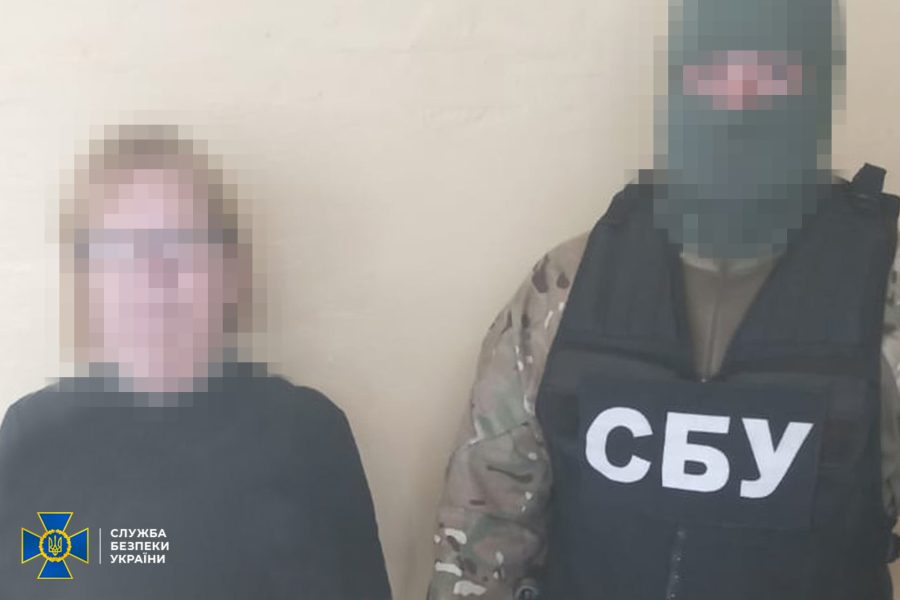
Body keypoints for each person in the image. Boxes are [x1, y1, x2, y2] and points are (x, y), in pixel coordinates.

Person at [428, 0, 900, 598]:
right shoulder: (569, 282)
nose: (739, 100)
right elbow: (483, 536)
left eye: (772, 70)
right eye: (714, 68)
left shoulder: (883, 285)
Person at [0, 124, 392, 599]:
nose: (153, 273)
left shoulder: (311, 433)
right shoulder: (31, 435)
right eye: (121, 248)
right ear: (89, 282)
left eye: (182, 242)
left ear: (230, 274)